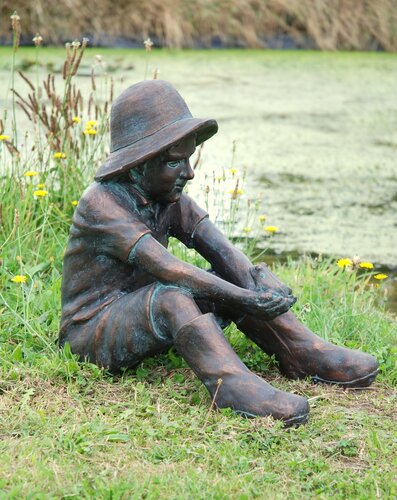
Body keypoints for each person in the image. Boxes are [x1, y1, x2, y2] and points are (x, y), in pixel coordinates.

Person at [60, 80, 378, 426]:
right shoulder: (101, 204)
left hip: (141, 307)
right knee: (172, 297)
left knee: (224, 280)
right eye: (174, 163)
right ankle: (230, 385)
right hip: (91, 331)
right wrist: (245, 299)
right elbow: (168, 268)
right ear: (138, 165)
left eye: (189, 159)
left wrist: (258, 283)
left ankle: (300, 351)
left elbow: (224, 252)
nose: (189, 173)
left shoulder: (170, 199)